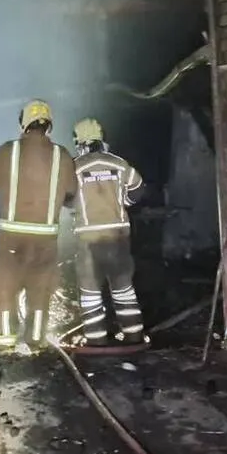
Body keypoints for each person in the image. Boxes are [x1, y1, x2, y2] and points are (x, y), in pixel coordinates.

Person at [0, 99, 77, 353]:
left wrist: (11, 198)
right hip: (45, 240)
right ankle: (36, 342)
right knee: (40, 288)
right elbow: (71, 195)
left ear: (23, 124)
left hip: (10, 237)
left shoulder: (8, 150)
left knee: (5, 287)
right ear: (49, 126)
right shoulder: (62, 155)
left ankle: (4, 344)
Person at [70, 117, 147, 347]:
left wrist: (77, 206)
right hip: (118, 238)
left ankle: (96, 341)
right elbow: (138, 188)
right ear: (101, 140)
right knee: (123, 288)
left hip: (88, 240)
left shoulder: (74, 167)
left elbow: (64, 196)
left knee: (90, 291)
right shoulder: (119, 164)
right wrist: (123, 202)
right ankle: (134, 336)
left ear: (79, 142)